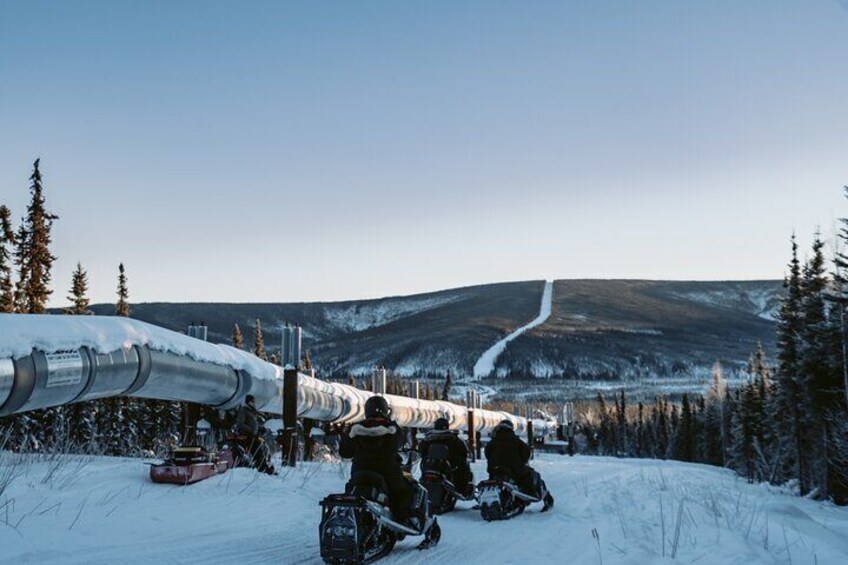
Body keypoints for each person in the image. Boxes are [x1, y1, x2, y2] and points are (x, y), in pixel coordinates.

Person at [339, 396, 416, 525]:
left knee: (351, 490)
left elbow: (345, 453)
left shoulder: (355, 428)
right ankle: (402, 520)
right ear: (385, 410)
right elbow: (401, 443)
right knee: (405, 489)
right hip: (387, 472)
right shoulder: (391, 428)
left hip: (360, 472)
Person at [484, 419, 554, 511]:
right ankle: (532, 493)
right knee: (531, 475)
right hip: (514, 469)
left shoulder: (492, 442)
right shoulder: (516, 440)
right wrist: (522, 459)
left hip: (495, 470)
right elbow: (527, 452)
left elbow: (487, 453)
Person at [418, 417, 474, 497]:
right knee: (462, 470)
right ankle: (461, 490)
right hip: (447, 465)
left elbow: (421, 450)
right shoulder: (453, 438)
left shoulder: (427, 439)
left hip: (430, 464)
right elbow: (463, 451)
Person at [235, 394, 274, 474]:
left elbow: (252, 422)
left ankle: (263, 467)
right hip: (247, 435)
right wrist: (250, 430)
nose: (254, 403)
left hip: (253, 435)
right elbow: (240, 423)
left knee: (260, 450)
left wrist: (258, 428)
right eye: (252, 401)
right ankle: (262, 468)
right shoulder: (243, 410)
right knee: (257, 451)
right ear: (248, 402)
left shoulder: (251, 411)